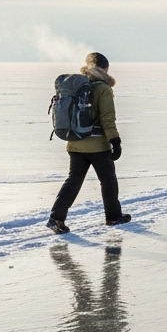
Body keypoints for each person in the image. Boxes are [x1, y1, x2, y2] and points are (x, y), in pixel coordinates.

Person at [47, 52, 131, 233]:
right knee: (108, 181)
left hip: (74, 143)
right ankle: (114, 217)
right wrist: (115, 142)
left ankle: (56, 218)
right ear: (105, 68)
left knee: (73, 181)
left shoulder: (78, 86)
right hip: (97, 146)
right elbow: (108, 119)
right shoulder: (102, 88)